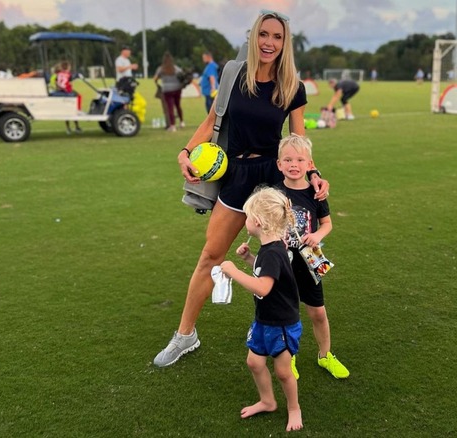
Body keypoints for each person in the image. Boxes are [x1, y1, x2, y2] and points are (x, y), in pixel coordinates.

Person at [153, 9, 330, 368]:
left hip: (272, 177)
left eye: (277, 37)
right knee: (211, 255)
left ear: (285, 43)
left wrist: (313, 173)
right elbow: (211, 120)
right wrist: (185, 151)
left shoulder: (292, 85)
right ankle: (185, 335)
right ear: (254, 38)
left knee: (286, 258)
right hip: (236, 173)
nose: (269, 43)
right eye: (264, 35)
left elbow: (297, 139)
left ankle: (284, 339)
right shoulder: (234, 75)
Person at [220, 186, 303, 432]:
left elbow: (264, 287)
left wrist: (234, 272)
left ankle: (293, 407)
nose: (245, 221)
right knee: (255, 363)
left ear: (256, 221)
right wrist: (249, 260)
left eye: (246, 217)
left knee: (283, 372)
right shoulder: (270, 250)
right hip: (264, 320)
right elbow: (268, 273)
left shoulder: (274, 252)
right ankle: (268, 401)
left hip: (281, 324)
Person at [275, 133, 349, 379]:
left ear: (310, 165)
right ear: (279, 165)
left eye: (299, 160)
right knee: (289, 312)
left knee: (317, 312)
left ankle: (325, 355)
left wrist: (317, 235)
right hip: (283, 264)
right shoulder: (275, 193)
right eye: (287, 160)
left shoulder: (316, 193)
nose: (293, 165)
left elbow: (327, 224)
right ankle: (291, 357)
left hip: (310, 261)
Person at [153, 52, 185, 132]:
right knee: (178, 105)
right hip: (177, 88)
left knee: (170, 108)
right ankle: (181, 122)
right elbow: (182, 76)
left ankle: (173, 126)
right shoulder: (176, 68)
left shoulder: (161, 69)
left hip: (167, 89)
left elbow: (155, 78)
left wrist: (159, 81)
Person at [51, 61, 82, 135]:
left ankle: (68, 128)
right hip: (67, 92)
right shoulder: (68, 74)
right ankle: (77, 124)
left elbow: (56, 82)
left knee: (67, 111)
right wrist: (78, 75)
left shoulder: (58, 74)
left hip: (60, 92)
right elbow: (71, 78)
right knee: (78, 99)